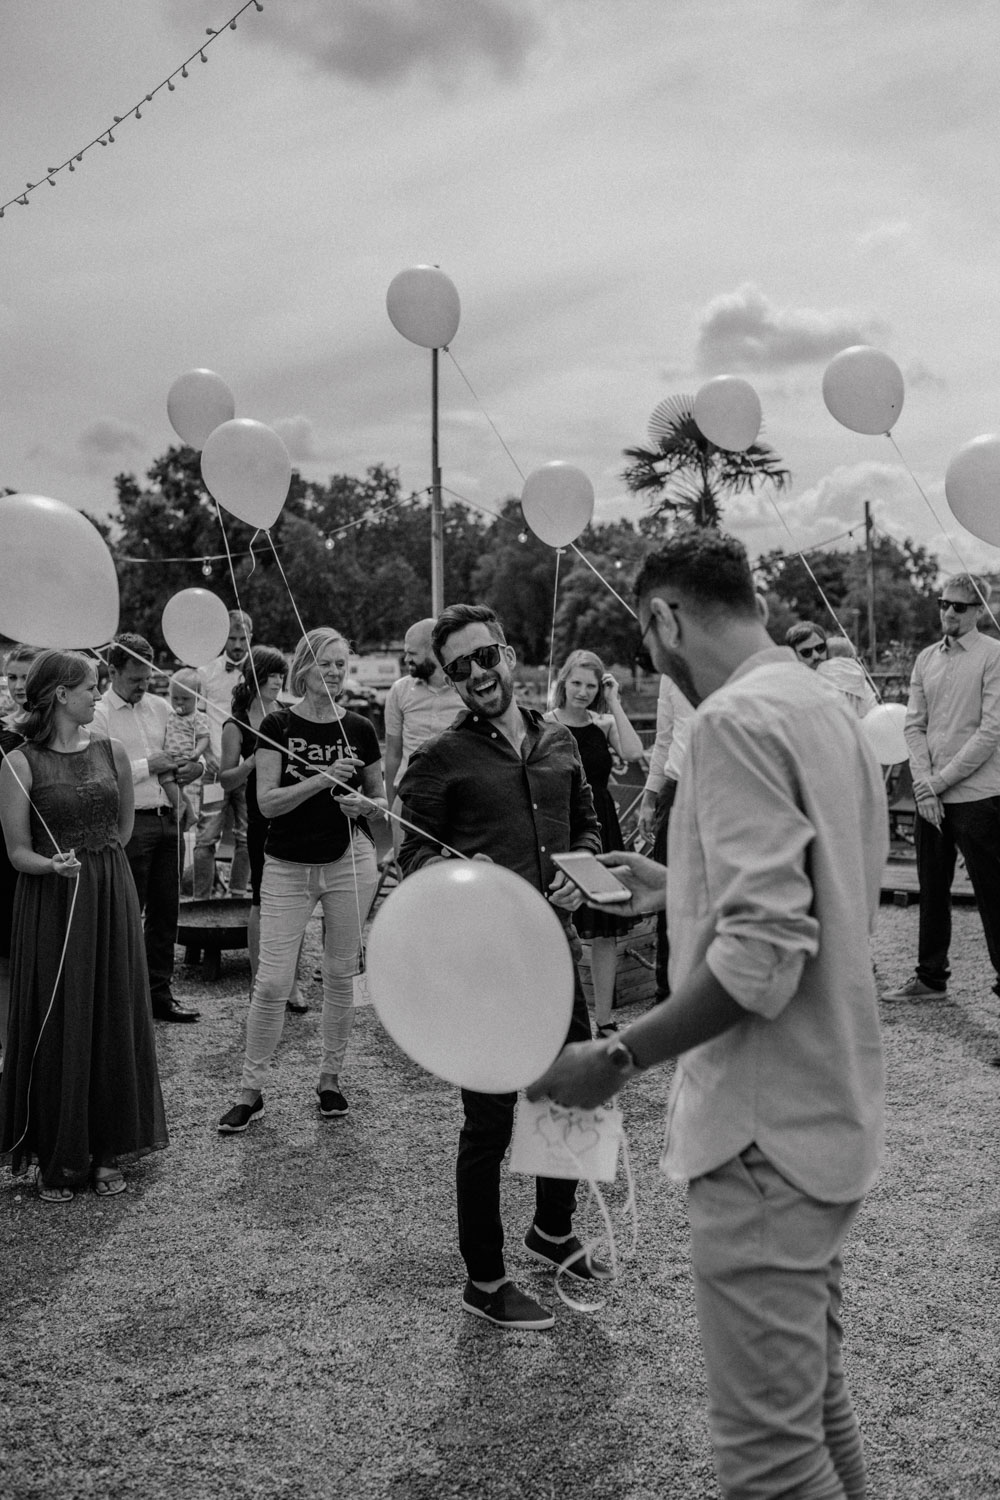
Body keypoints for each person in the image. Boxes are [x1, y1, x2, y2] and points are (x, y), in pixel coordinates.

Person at [531, 532, 886, 1497]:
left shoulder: (730, 723)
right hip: (831, 1104)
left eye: (648, 643)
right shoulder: (823, 704)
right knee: (816, 1407)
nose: (652, 663)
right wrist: (674, 882)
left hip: (765, 1132)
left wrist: (613, 1056)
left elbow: (762, 960)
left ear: (664, 617)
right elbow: (819, 889)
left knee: (768, 1465)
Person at [398, 603, 608, 1333]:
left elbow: (585, 824)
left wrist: (581, 872)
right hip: (484, 966)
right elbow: (411, 857)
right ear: (449, 679)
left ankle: (553, 1229)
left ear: (509, 654)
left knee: (572, 1093)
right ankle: (484, 1281)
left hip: (558, 946)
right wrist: (463, 871)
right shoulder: (439, 759)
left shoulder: (559, 740)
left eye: (486, 657)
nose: (478, 675)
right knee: (488, 1126)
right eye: (460, 667)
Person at [0, 650, 168, 1200]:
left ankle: (107, 1149)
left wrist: (100, 872)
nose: (98, 695)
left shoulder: (112, 750)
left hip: (109, 891)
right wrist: (51, 865)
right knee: (62, 1014)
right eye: (89, 688)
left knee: (111, 1009)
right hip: (51, 899)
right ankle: (59, 1153)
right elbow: (17, 851)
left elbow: (121, 828)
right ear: (58, 695)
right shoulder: (19, 763)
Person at [218, 628, 384, 1134]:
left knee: (338, 977)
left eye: (342, 664)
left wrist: (366, 805)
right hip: (287, 864)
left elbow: (379, 802)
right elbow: (266, 803)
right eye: (326, 664)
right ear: (303, 669)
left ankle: (330, 1078)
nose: (335, 673)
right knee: (270, 981)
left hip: (348, 860)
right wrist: (323, 778)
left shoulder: (360, 727)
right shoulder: (276, 723)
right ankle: (251, 1090)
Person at [884, 574, 1000, 1002]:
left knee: (993, 895)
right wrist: (925, 786)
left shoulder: (994, 656)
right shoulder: (925, 659)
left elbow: (989, 734)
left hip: (978, 797)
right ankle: (931, 978)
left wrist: (936, 783)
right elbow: (913, 725)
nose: (948, 612)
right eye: (943, 603)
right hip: (931, 796)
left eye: (959, 606)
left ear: (977, 613)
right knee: (931, 888)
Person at [92, 634, 201, 1023]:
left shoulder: (160, 707)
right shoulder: (99, 712)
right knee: (125, 913)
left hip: (169, 817)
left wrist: (194, 769)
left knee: (166, 912)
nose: (143, 687)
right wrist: (147, 765)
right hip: (129, 822)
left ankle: (160, 993)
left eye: (147, 679)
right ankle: (122, 999)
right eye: (135, 679)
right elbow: (101, 771)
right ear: (113, 671)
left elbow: (182, 756)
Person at [544, 649, 645, 1034]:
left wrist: (615, 700)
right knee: (557, 925)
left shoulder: (603, 724)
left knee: (605, 930)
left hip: (602, 827)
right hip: (562, 826)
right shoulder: (545, 723)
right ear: (563, 682)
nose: (583, 692)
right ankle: (558, 1018)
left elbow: (634, 752)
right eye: (576, 683)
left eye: (590, 685)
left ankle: (604, 1020)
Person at [217, 645, 305, 1007]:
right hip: (259, 818)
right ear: (256, 678)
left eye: (282, 677)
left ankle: (293, 983)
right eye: (273, 676)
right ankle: (259, 982)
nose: (279, 682)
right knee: (261, 900)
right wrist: (252, 762)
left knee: (297, 901)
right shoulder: (234, 723)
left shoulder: (289, 715)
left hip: (295, 815)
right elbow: (225, 780)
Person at [636, 672, 696, 1001]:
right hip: (674, 788)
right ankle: (667, 996)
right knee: (669, 893)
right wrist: (648, 797)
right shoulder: (669, 674)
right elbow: (664, 738)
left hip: (719, 788)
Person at [382, 617, 463, 858]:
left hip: (457, 800)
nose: (406, 659)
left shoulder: (464, 689)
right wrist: (390, 808)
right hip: (409, 799)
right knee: (407, 872)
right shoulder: (400, 691)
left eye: (412, 653)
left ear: (433, 650)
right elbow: (393, 752)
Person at [193, 609, 253, 897]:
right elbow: (197, 720)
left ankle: (239, 897)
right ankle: (200, 902)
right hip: (214, 767)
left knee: (248, 836)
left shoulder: (258, 673)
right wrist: (208, 757)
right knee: (206, 837)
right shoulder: (205, 673)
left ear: (251, 637)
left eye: (243, 638)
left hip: (249, 767)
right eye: (232, 638)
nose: (238, 644)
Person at [0, 644, 40, 1073]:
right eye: (11, 677)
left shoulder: (58, 736)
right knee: (7, 961)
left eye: (26, 676)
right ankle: (10, 1057)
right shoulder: (2, 736)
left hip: (50, 856)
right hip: (6, 854)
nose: (17, 685)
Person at [160, 668, 211, 827]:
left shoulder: (198, 717)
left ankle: (181, 806)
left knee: (166, 779)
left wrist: (196, 753)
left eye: (185, 698)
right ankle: (189, 813)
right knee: (176, 787)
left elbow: (204, 738)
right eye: (175, 698)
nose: (179, 703)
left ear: (198, 697)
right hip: (170, 755)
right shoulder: (171, 714)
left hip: (184, 757)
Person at [816, 637, 878, 719]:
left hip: (831, 715)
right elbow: (871, 702)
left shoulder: (822, 667)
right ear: (851, 653)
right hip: (857, 714)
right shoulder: (856, 668)